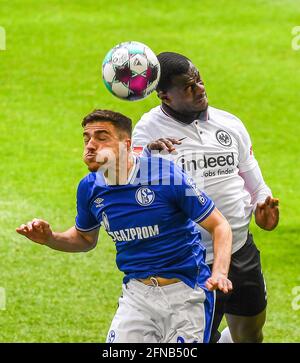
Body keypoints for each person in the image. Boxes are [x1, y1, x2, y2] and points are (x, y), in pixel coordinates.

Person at [16, 109, 233, 343]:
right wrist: (50, 238)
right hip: (137, 296)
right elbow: (85, 238)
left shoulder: (167, 175)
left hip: (187, 293)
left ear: (125, 144)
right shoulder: (90, 188)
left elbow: (219, 225)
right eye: (87, 138)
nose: (90, 145)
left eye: (101, 137)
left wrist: (219, 273)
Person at [132, 52, 280, 343]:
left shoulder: (230, 124)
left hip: (239, 250)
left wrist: (264, 207)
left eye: (199, 80)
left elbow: (256, 185)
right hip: (189, 260)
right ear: (164, 95)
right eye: (188, 86)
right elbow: (127, 184)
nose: (200, 88)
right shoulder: (148, 132)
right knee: (196, 340)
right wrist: (147, 156)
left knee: (250, 335)